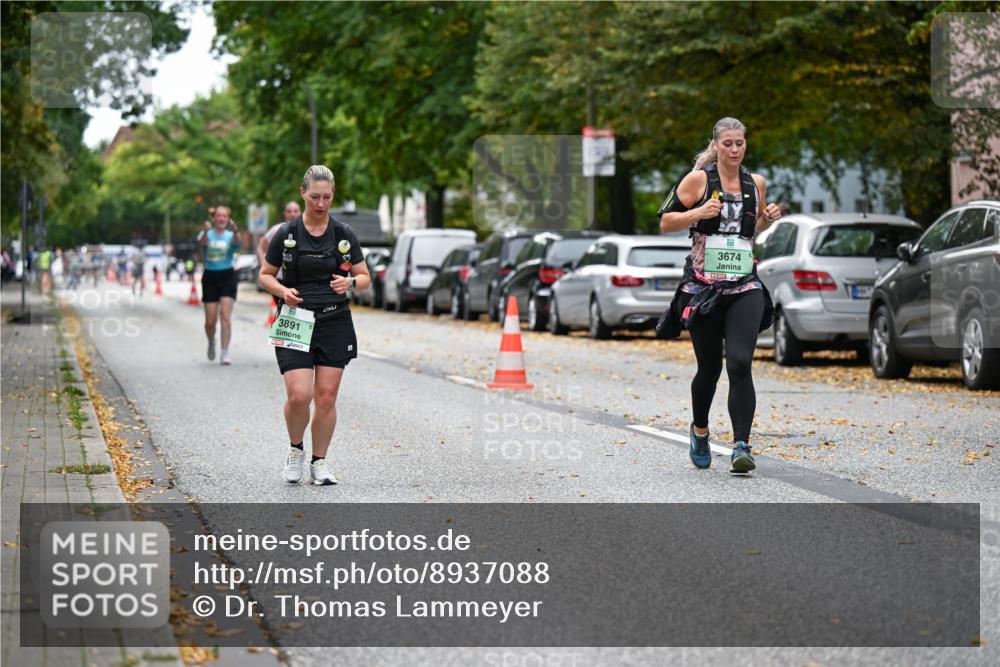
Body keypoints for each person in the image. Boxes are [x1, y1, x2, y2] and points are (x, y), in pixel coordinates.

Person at [658, 117, 782, 474]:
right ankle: (700, 431)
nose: (734, 150)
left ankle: (741, 445)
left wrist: (767, 219)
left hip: (744, 284)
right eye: (727, 143)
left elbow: (750, 227)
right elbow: (666, 221)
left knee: (741, 363)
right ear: (715, 145)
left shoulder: (755, 183)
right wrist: (698, 212)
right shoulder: (698, 180)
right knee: (710, 368)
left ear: (746, 144)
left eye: (739, 143)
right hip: (704, 288)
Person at [259, 165, 370, 486]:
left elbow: (365, 279)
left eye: (327, 197)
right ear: (302, 193)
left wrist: (349, 282)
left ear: (333, 195)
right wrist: (283, 291)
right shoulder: (287, 234)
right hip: (295, 319)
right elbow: (265, 275)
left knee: (325, 397)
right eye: (314, 197)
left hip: (334, 320)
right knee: (299, 395)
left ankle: (319, 463)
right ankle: (295, 451)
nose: (321, 204)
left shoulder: (343, 235)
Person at [197, 205, 243, 364]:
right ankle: (211, 341)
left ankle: (225, 352)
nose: (221, 218)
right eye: (218, 216)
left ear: (228, 219)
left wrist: (236, 229)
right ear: (214, 218)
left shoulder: (231, 235)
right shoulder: (207, 233)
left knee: (225, 316)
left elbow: (238, 244)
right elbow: (201, 244)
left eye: (224, 216)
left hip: (227, 276)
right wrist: (204, 231)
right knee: (210, 322)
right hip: (210, 277)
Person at [258, 201, 302, 324]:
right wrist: (264, 266)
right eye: (289, 211)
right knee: (285, 313)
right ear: (285, 214)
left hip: (299, 279)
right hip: (280, 281)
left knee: (299, 314)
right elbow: (260, 248)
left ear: (300, 212)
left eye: (295, 211)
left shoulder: (306, 230)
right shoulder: (278, 230)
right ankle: (284, 338)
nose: (292, 214)